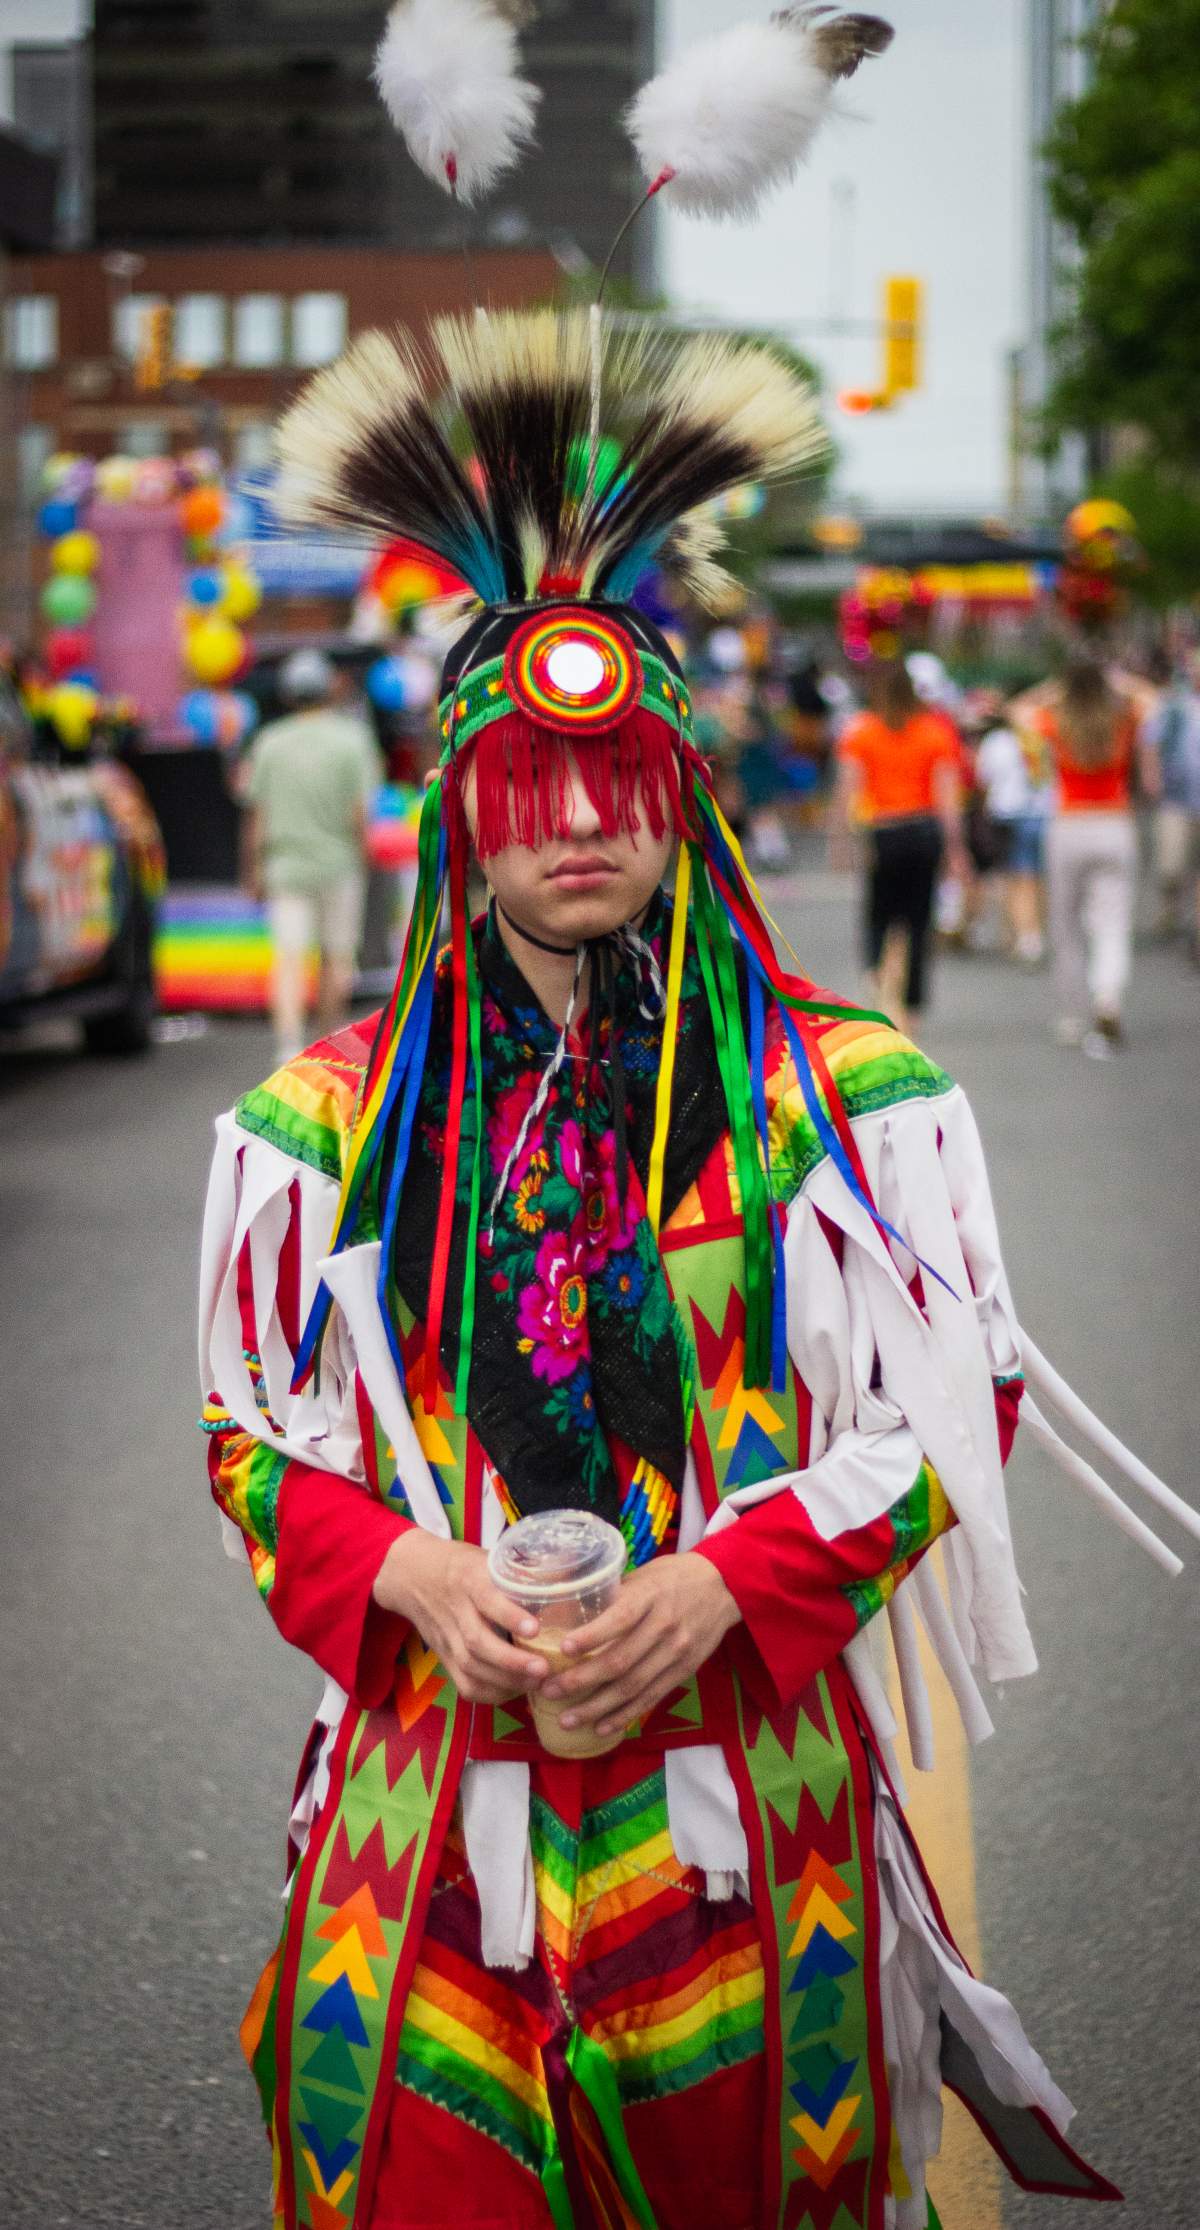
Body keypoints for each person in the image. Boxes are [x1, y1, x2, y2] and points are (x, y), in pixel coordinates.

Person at [191, 302, 1198, 2230]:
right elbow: (250, 1441)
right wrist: (413, 1573)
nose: (579, 820)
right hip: (432, 1822)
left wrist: (729, 1582)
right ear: (458, 809)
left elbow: (953, 1402)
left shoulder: (847, 1100)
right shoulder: (318, 1130)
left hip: (751, 1827)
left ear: (684, 790)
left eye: (621, 773)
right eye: (530, 781)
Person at [243, 647, 383, 1062]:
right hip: (340, 864)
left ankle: (288, 1046)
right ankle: (325, 1046)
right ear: (329, 690)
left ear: (288, 693)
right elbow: (360, 813)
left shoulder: (269, 742)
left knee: (288, 958)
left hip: (284, 866)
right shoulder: (353, 739)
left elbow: (257, 814)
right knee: (337, 958)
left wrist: (252, 869)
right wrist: (366, 855)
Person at [833, 661, 969, 1034]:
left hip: (883, 831)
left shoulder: (861, 731)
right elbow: (947, 798)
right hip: (923, 831)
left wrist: (840, 839)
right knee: (919, 921)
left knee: (879, 915)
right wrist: (956, 848)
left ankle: (876, 981)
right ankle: (911, 1006)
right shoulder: (934, 733)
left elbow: (848, 789)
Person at [1033, 659, 1159, 1056]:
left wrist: (1055, 688)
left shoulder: (1057, 722)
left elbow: (1017, 711)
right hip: (1115, 823)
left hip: (1069, 825)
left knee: (1066, 924)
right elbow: (1154, 701)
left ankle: (1073, 1014)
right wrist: (1121, 683)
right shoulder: (1122, 721)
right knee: (1112, 921)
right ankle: (1107, 998)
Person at [974, 703, 1054, 964]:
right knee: (1037, 876)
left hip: (1008, 814)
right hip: (1044, 813)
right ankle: (1033, 929)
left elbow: (983, 778)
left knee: (1017, 876)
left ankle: (1025, 935)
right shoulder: (1046, 738)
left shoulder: (997, 741)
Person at [1145, 655, 1200, 953]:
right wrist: (1152, 775)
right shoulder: (1174, 706)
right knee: (1172, 865)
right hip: (1176, 798)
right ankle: (1170, 907)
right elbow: (1150, 740)